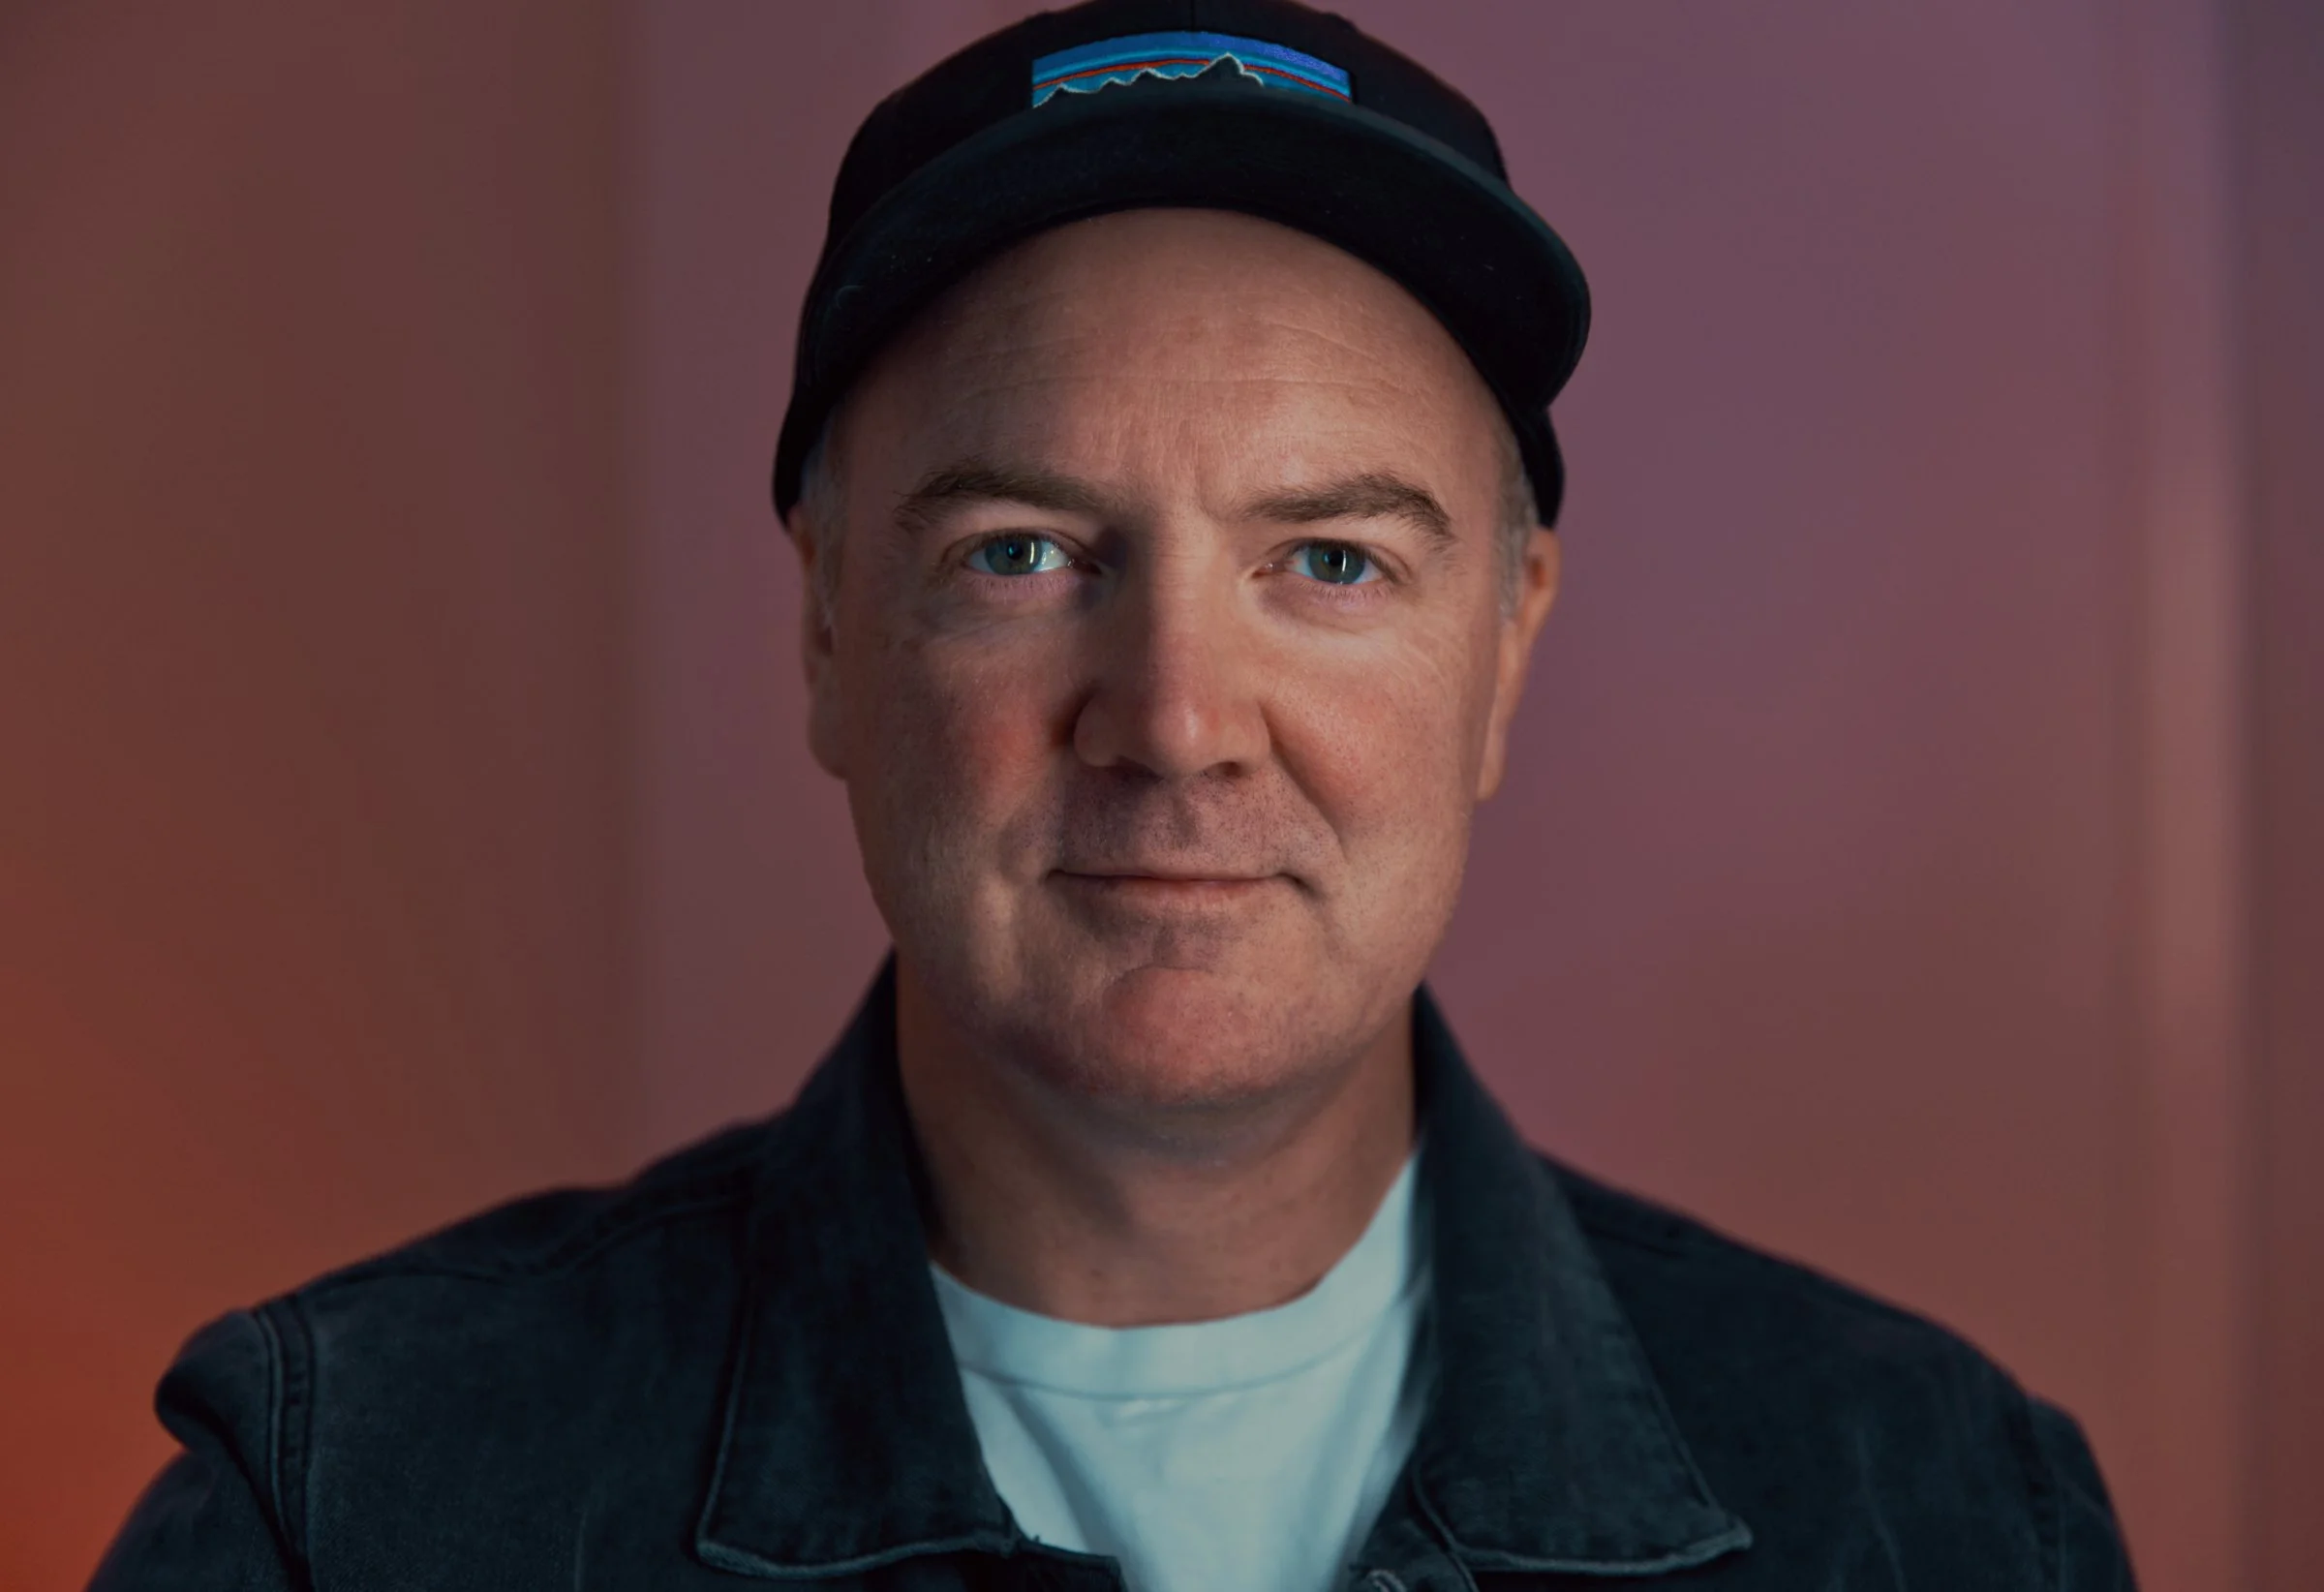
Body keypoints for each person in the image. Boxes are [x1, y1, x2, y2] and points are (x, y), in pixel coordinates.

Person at [91, 2, 2136, 1588]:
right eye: (1026, 555)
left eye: (1329, 562)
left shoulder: (1939, 1512)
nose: (1173, 722)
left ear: (1504, 647)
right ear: (826, 634)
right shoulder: (350, 1509)